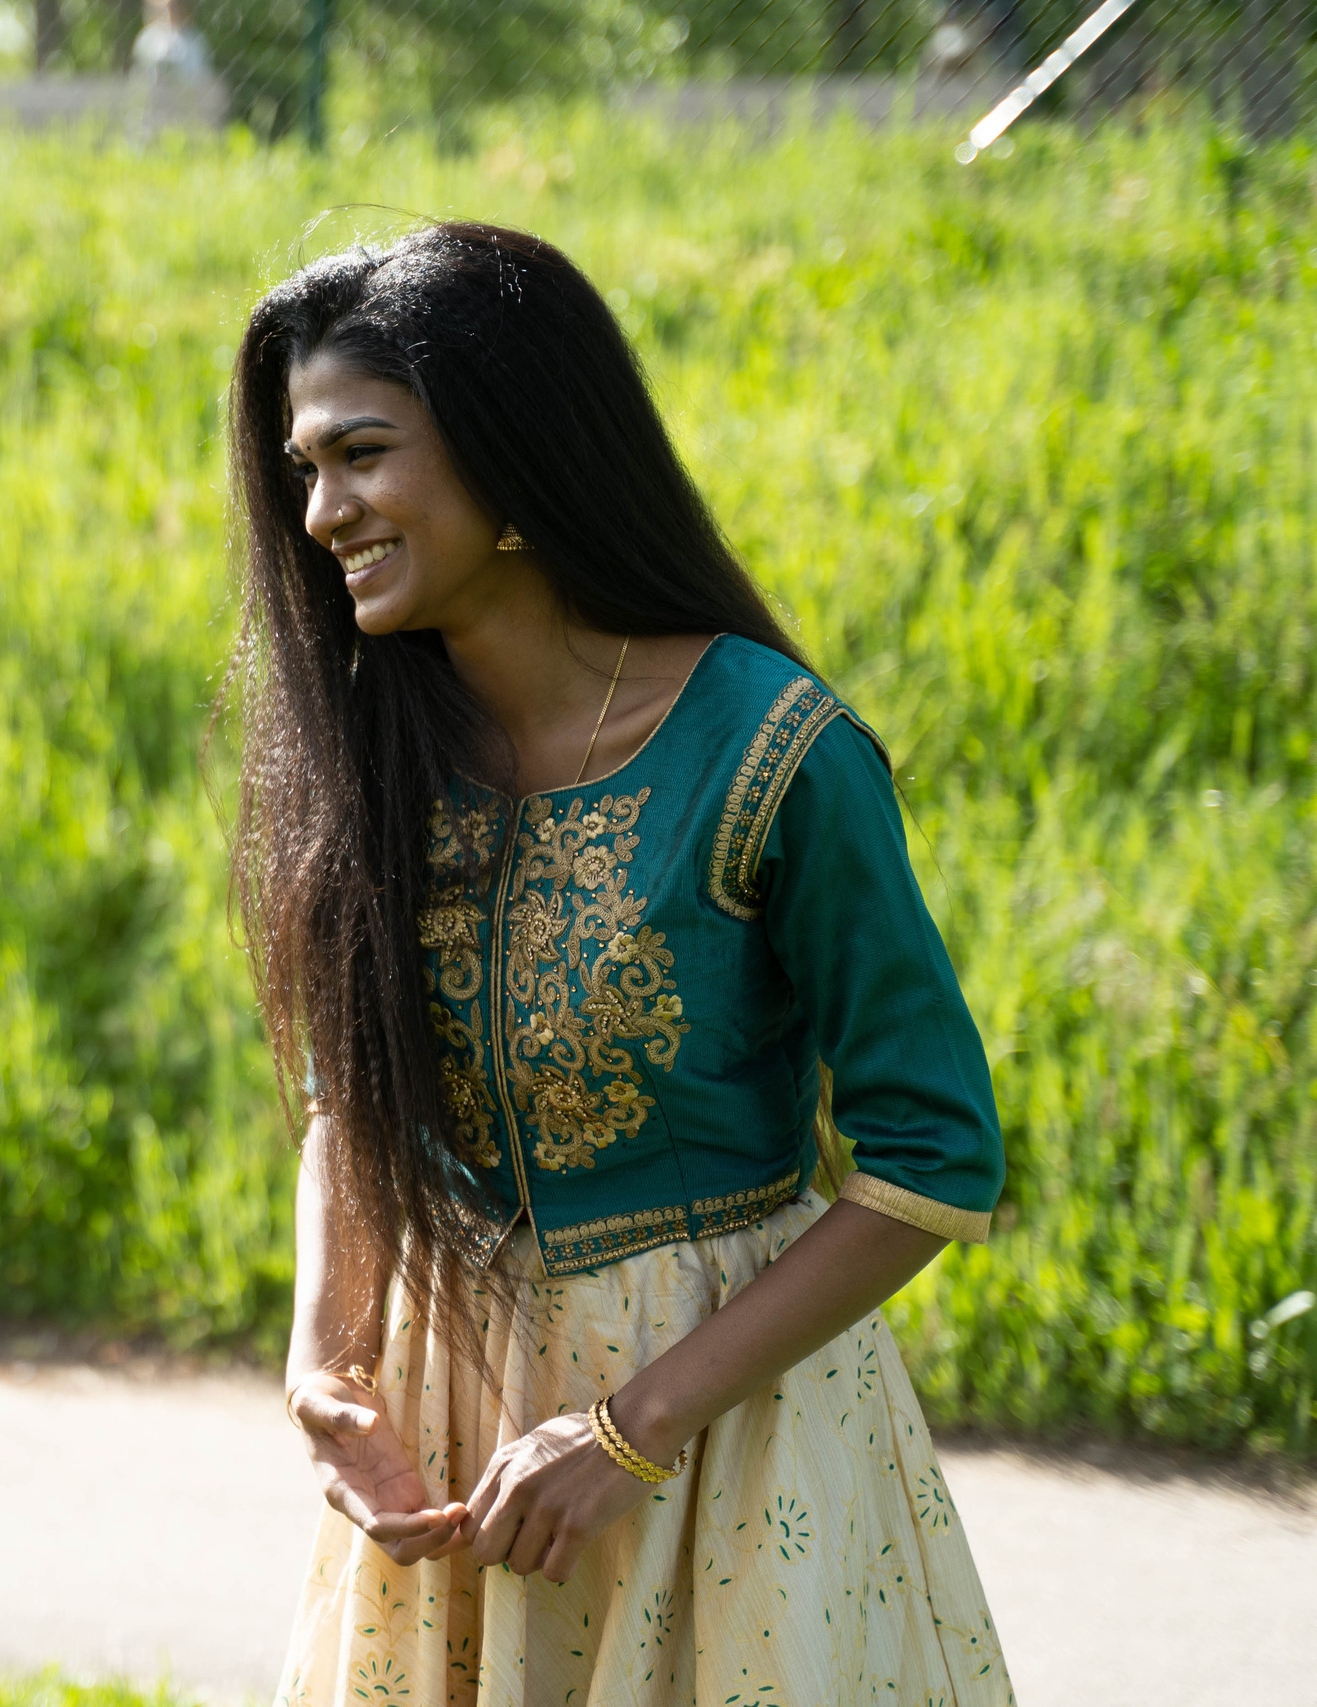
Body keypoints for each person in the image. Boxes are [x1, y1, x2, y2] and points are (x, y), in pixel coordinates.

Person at [227, 225, 1014, 1704]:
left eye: (363, 455)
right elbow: (355, 1093)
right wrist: (326, 1363)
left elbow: (938, 1157)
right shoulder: (382, 755)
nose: (322, 511)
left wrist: (633, 1427)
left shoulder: (779, 755)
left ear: (514, 455)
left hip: (728, 1430)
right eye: (305, 469)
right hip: (459, 1426)